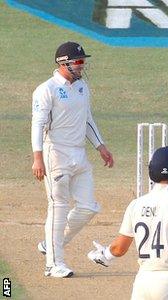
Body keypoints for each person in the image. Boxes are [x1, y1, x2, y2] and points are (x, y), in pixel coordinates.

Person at [86, 147, 168, 300]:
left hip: (142, 284)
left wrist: (105, 254)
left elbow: (120, 247)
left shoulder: (136, 205)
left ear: (151, 171)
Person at [31, 41, 114, 278]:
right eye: (78, 61)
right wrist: (38, 158)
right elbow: (37, 125)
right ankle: (53, 264)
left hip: (79, 153)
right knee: (58, 206)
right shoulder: (46, 89)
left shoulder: (82, 87)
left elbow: (87, 118)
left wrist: (100, 146)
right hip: (55, 153)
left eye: (82, 61)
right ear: (63, 63)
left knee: (88, 207)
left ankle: (50, 244)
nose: (82, 65)